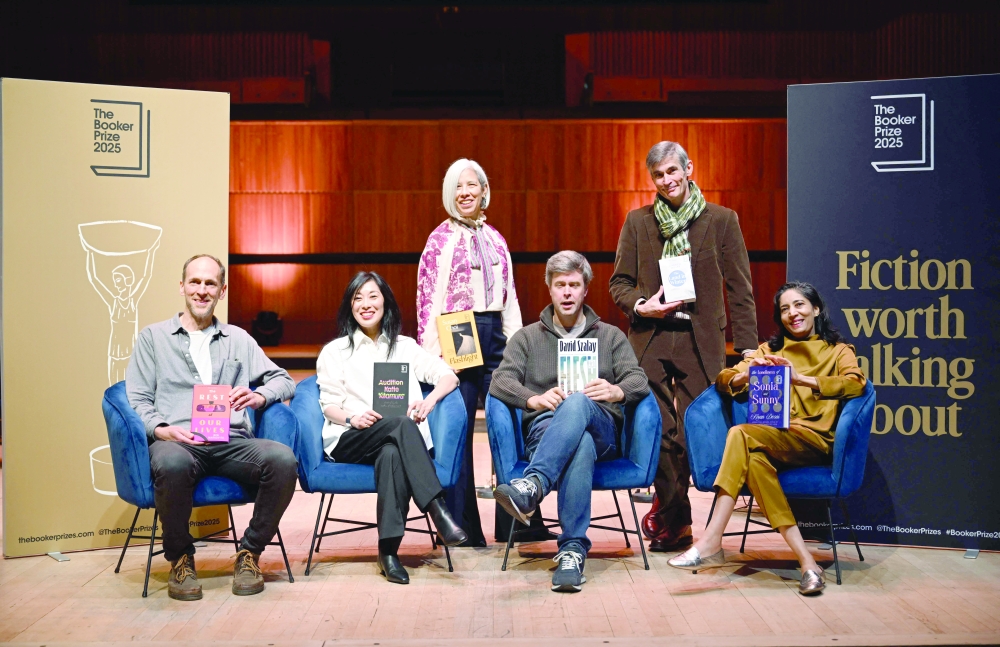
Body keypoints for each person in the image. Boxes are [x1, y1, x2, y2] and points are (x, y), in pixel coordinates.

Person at [668, 282, 866, 595]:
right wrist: (745, 374)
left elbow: (856, 385)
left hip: (814, 439)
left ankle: (711, 541)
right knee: (756, 462)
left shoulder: (838, 351)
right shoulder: (769, 350)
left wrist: (801, 379)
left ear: (816, 309)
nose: (792, 313)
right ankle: (808, 563)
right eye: (785, 309)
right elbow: (723, 379)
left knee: (740, 433)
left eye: (799, 305)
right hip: (772, 439)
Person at [610, 141, 758, 553]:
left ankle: (672, 507)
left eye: (672, 171)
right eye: (658, 175)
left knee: (696, 431)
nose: (667, 180)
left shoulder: (722, 220)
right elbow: (619, 283)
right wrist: (642, 304)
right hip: (652, 338)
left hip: (700, 340)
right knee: (660, 430)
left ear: (688, 168)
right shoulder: (638, 222)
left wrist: (748, 349)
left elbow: (740, 289)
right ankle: (678, 521)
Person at [126, 254, 298, 601]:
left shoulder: (238, 339)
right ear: (182, 287)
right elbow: (137, 399)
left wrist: (258, 396)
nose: (202, 290)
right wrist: (161, 429)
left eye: (210, 283)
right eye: (195, 282)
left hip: (231, 440)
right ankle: (180, 559)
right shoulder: (153, 338)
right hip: (178, 440)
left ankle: (249, 553)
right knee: (171, 463)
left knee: (283, 460)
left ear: (222, 290)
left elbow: (284, 380)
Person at [490, 251, 649, 593]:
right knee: (580, 443)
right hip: (546, 430)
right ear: (549, 288)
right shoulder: (527, 338)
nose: (566, 292)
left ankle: (533, 484)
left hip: (602, 428)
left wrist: (616, 390)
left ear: (585, 290)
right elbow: (500, 381)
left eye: (574, 285)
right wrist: (532, 399)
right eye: (560, 284)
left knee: (578, 403)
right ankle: (572, 551)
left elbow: (639, 380)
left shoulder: (610, 336)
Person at [317, 271, 467, 584]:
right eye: (358, 298)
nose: (366, 304)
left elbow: (448, 376)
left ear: (385, 301)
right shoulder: (335, 351)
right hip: (350, 437)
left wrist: (430, 401)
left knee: (392, 453)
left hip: (396, 439)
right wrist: (352, 419)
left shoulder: (405, 347)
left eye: (373, 296)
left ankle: (388, 553)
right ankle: (437, 509)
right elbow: (328, 405)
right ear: (350, 306)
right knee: (400, 424)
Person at [417, 158, 523, 546]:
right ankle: (462, 526)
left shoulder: (496, 238)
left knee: (506, 421)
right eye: (458, 186)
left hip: (495, 334)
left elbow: (509, 297)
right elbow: (427, 299)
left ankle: (516, 523)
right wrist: (432, 358)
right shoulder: (440, 240)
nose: (465, 192)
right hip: (458, 331)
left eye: (471, 185)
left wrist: (517, 347)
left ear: (483, 191)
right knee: (458, 427)